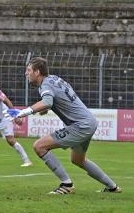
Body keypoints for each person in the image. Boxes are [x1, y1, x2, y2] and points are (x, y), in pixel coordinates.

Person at [14, 57, 121, 194]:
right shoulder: (54, 78)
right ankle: (113, 187)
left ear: (37, 72)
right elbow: (53, 100)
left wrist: (24, 112)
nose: (26, 73)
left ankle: (67, 185)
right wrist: (45, 109)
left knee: (39, 146)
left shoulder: (45, 85)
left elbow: (47, 101)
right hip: (89, 122)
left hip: (80, 126)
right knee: (78, 160)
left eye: (28, 70)